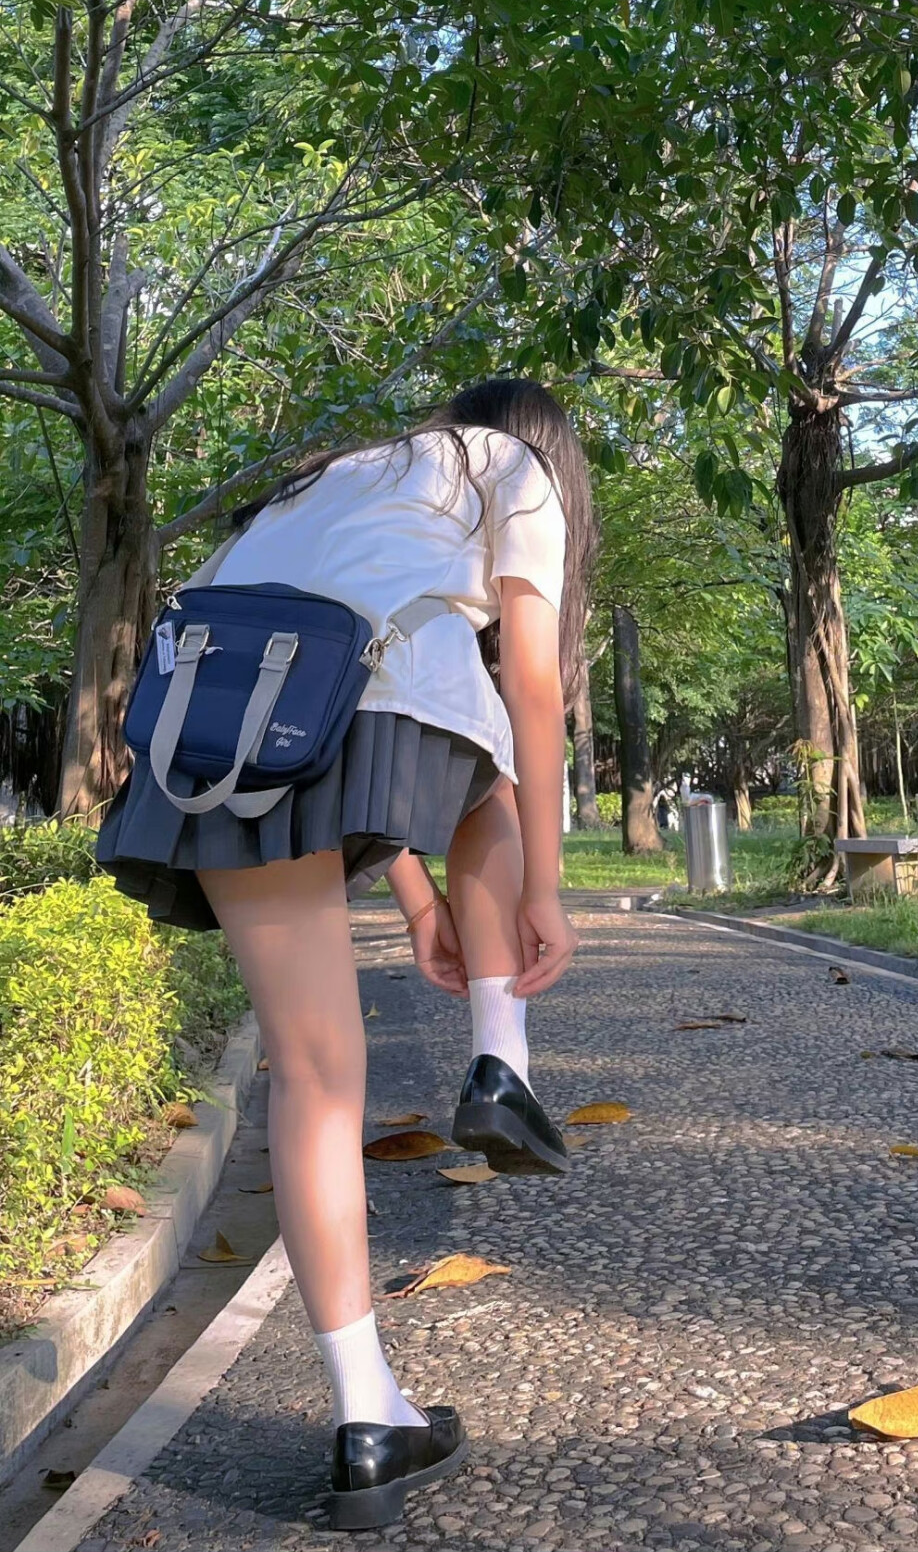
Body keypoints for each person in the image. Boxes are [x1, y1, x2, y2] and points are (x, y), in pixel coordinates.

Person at [95, 376, 597, 1529]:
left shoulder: (332, 478)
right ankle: (499, 1055)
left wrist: (416, 905)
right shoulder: (506, 471)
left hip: (208, 735)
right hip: (377, 714)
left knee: (314, 1076)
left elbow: (336, 682)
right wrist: (549, 893)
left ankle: (367, 1414)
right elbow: (517, 687)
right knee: (487, 753)